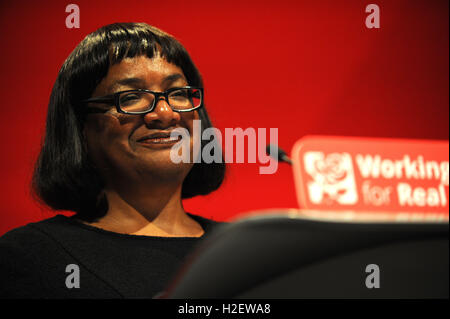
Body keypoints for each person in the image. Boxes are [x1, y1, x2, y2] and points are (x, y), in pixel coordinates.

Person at [0, 22, 225, 298]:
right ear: (81, 126)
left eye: (178, 94)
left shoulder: (248, 251)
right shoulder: (28, 258)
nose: (166, 114)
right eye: (131, 97)